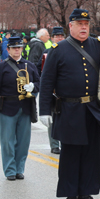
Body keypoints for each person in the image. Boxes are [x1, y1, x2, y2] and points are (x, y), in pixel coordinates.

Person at [38, 8, 100, 199]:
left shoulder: (98, 46)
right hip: (69, 109)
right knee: (71, 153)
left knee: (92, 153)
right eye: (79, 24)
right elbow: (46, 82)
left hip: (92, 107)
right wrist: (44, 110)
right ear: (71, 26)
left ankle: (86, 193)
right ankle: (70, 194)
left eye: (86, 24)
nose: (84, 28)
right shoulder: (58, 50)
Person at [0, 37, 40, 180]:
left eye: (19, 47)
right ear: (8, 49)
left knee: (23, 141)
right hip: (7, 107)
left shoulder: (29, 66)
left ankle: (19, 168)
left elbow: (39, 82)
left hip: (25, 107)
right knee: (7, 141)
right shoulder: (1, 67)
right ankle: (10, 170)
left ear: (22, 49)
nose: (17, 50)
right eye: (14, 48)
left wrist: (33, 86)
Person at [36, 26, 65, 154]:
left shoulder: (67, 51)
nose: (59, 38)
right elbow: (37, 69)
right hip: (52, 91)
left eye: (61, 36)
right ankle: (54, 145)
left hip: (65, 91)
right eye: (57, 36)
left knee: (65, 119)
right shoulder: (47, 52)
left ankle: (65, 142)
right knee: (53, 119)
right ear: (52, 38)